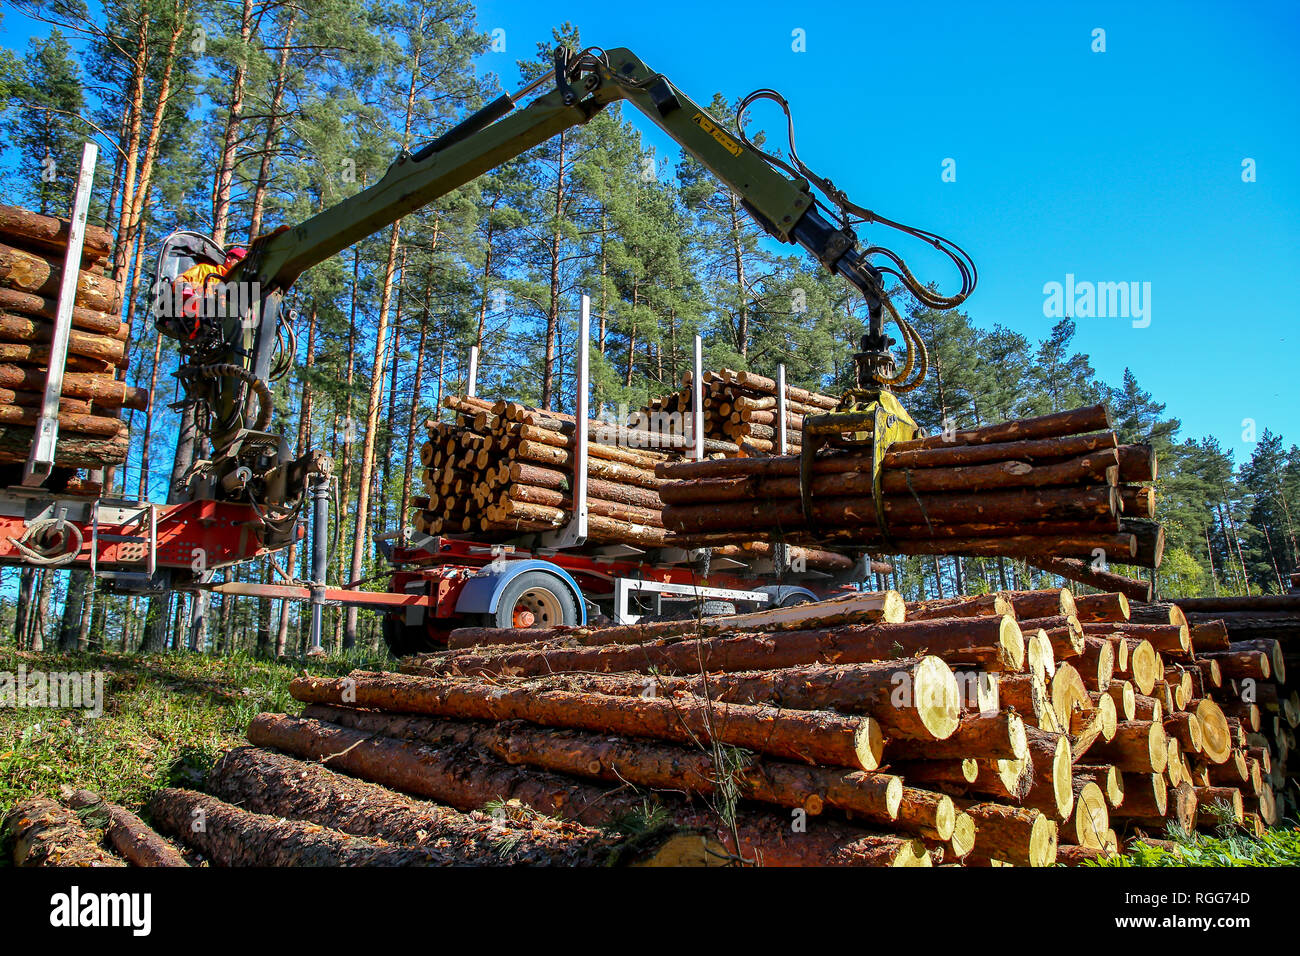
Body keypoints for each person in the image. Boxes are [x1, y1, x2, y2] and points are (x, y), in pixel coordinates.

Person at [174, 246, 247, 331]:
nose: (241, 268)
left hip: (225, 326)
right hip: (198, 317)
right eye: (239, 262)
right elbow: (181, 280)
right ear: (229, 259)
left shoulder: (237, 286)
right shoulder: (205, 270)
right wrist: (187, 290)